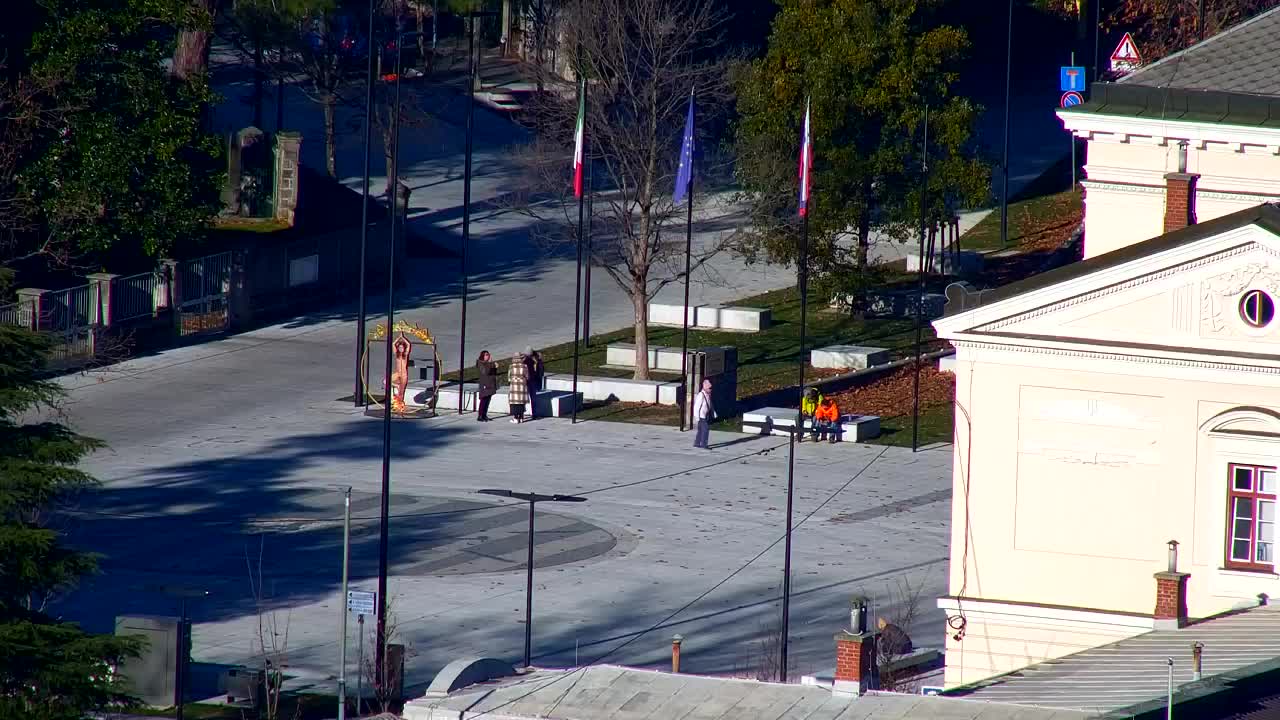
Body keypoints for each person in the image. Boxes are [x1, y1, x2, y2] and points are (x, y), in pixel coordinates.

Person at [508, 351, 530, 423]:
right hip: (522, 386)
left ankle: (515, 418)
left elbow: (509, 377)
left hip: (514, 386)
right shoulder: (525, 366)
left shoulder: (511, 366)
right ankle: (521, 417)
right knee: (521, 402)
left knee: (514, 403)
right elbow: (527, 376)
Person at [692, 378, 714, 449]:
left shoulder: (708, 394)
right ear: (705, 387)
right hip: (701, 416)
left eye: (711, 388)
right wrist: (697, 417)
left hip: (705, 415)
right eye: (709, 388)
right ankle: (704, 444)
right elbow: (696, 407)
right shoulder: (701, 395)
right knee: (705, 430)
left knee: (700, 430)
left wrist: (713, 413)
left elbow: (710, 405)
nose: (711, 389)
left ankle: (697, 443)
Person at [476, 350, 498, 421]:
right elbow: (485, 372)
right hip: (484, 384)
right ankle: (480, 415)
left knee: (488, 400)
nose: (487, 356)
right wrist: (491, 364)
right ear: (483, 356)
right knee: (484, 400)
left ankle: (484, 415)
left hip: (490, 384)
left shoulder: (488, 363)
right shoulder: (481, 363)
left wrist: (495, 367)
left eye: (488, 354)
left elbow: (493, 373)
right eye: (486, 355)